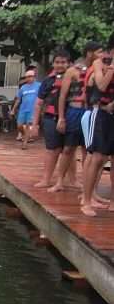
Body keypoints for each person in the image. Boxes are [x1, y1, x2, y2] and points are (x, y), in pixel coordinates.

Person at [49, 41, 103, 194]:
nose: (102, 55)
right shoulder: (73, 71)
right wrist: (61, 118)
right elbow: (63, 96)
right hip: (74, 111)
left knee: (88, 150)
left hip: (92, 111)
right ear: (90, 53)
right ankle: (60, 181)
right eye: (99, 52)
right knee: (68, 149)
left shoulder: (99, 70)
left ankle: (87, 186)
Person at [81, 45, 114, 215]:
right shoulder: (99, 63)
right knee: (97, 157)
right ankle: (86, 201)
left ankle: (112, 202)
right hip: (99, 114)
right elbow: (101, 86)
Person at [32, 49, 73, 187]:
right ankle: (46, 179)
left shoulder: (75, 79)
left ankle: (71, 180)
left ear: (69, 63)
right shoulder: (48, 81)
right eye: (57, 62)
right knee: (52, 150)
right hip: (51, 118)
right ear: (53, 63)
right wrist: (35, 125)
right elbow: (38, 103)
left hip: (71, 117)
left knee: (69, 149)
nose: (60, 65)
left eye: (63, 62)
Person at [11, 69, 41, 149]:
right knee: (19, 126)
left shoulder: (39, 85)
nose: (28, 78)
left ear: (34, 77)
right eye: (26, 77)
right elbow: (18, 99)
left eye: (30, 76)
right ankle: (24, 135)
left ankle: (25, 143)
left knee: (28, 126)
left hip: (32, 110)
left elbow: (43, 97)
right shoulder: (23, 87)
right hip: (23, 109)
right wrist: (13, 109)